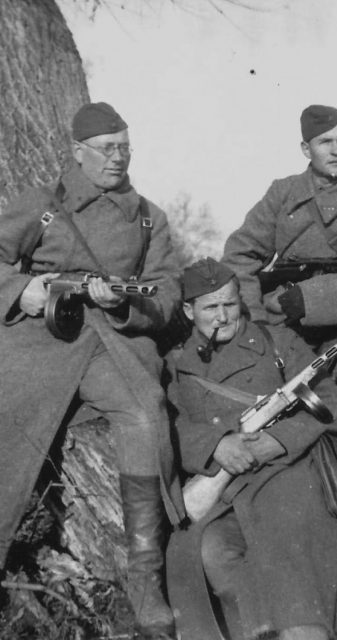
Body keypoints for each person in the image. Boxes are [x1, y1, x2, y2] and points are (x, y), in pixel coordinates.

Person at [0, 102, 184, 639]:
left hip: (112, 338)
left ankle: (146, 581)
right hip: (38, 338)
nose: (118, 159)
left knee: (147, 415)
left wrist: (127, 306)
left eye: (125, 147)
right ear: (77, 153)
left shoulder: (149, 217)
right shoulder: (43, 205)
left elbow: (168, 289)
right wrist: (22, 290)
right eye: (106, 149)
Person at [166, 257, 337, 640]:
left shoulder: (278, 341)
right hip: (229, 490)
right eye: (211, 308)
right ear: (188, 310)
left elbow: (330, 407)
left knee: (286, 558)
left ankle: (302, 631)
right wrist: (218, 446)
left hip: (291, 476)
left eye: (230, 304)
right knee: (210, 551)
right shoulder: (178, 364)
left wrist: (275, 441)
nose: (223, 316)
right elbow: (173, 426)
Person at [222, 105, 337, 344]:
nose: (336, 150)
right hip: (277, 320)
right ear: (306, 149)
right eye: (325, 142)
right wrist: (256, 322)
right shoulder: (283, 193)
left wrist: (309, 298)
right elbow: (239, 257)